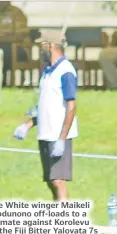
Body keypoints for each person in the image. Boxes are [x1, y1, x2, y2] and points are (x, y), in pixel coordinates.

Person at [33, 30, 78, 201]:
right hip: (46, 134)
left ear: (50, 46)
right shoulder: (48, 71)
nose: (39, 49)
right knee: (51, 181)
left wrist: (62, 139)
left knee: (58, 180)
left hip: (58, 135)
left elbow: (71, 106)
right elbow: (47, 104)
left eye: (41, 45)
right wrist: (29, 124)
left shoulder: (66, 71)